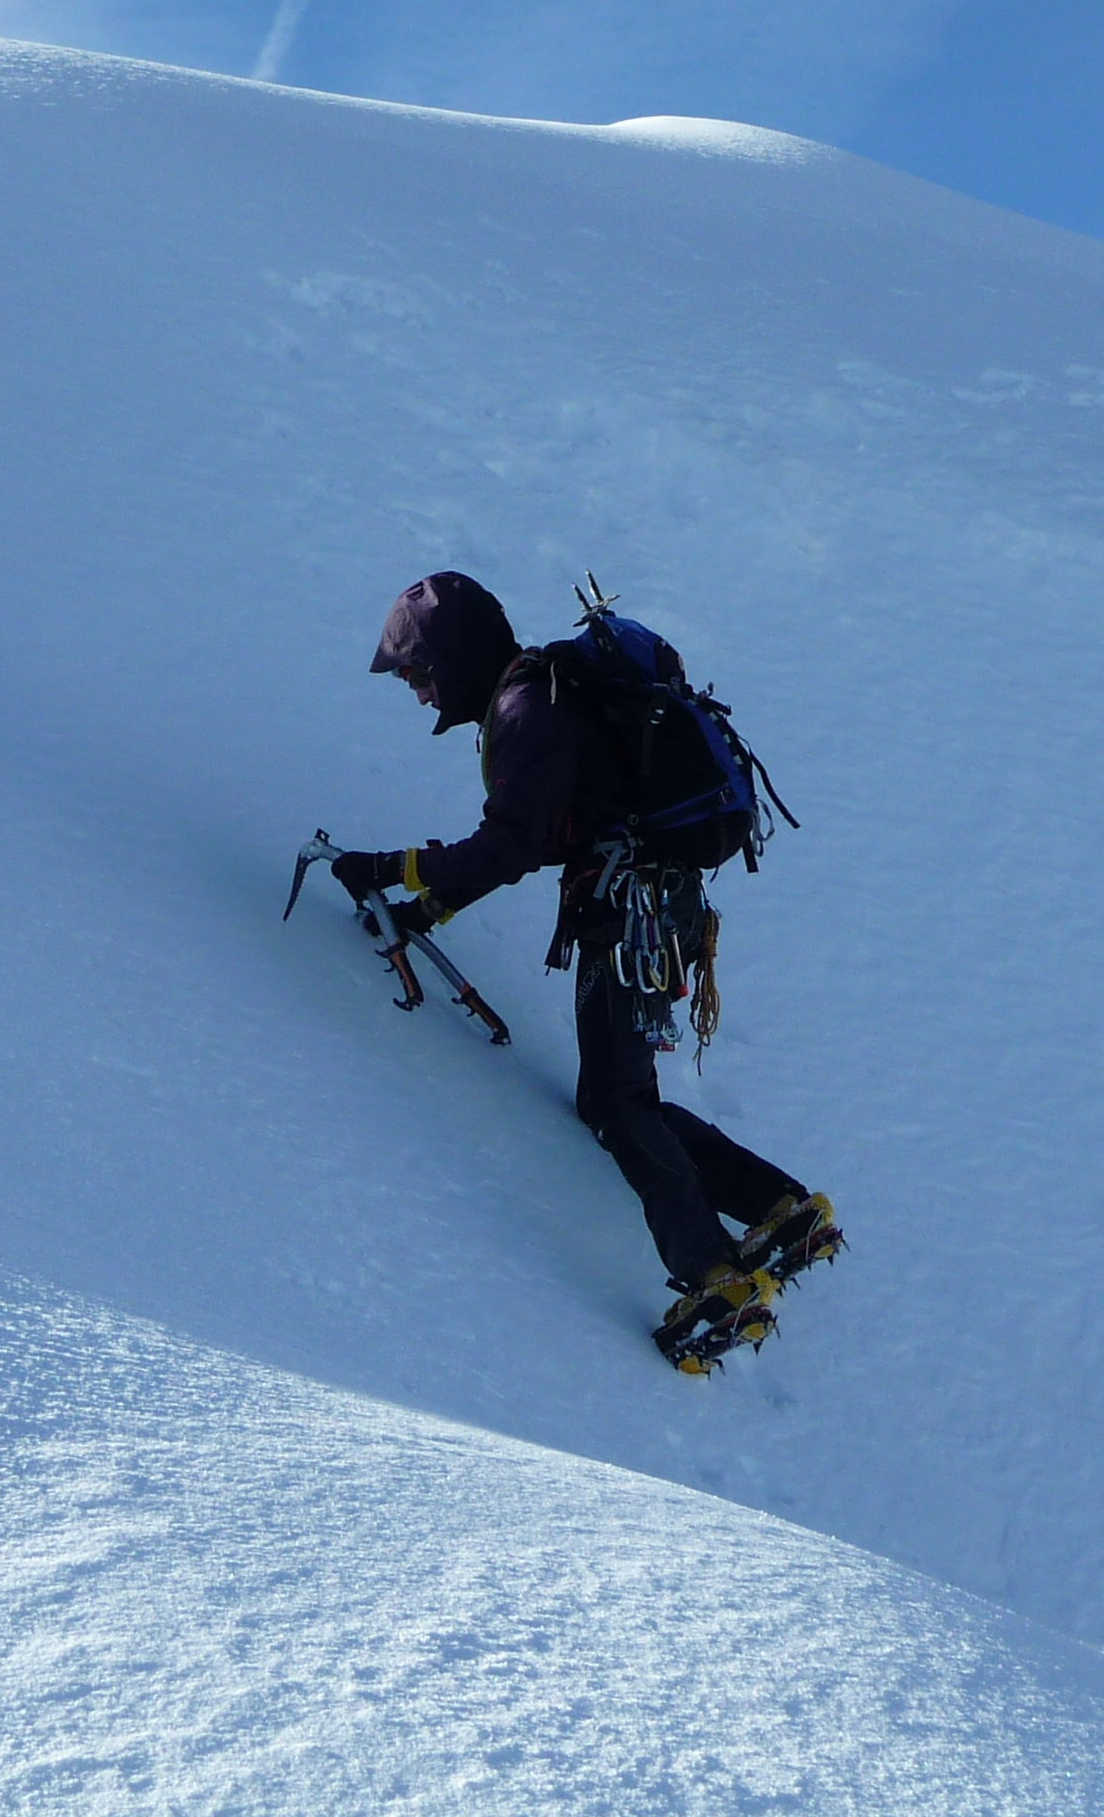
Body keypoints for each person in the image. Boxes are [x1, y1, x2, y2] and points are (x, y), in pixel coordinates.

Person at [328, 570, 839, 1370]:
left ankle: (715, 1278)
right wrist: (429, 907)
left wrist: (389, 868)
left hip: (629, 914)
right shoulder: (543, 695)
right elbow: (539, 836)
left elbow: (509, 846)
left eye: (421, 673)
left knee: (616, 1103)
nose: (421, 693)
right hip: (656, 907)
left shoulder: (526, 709)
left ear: (457, 657)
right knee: (620, 1097)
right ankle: (778, 1207)